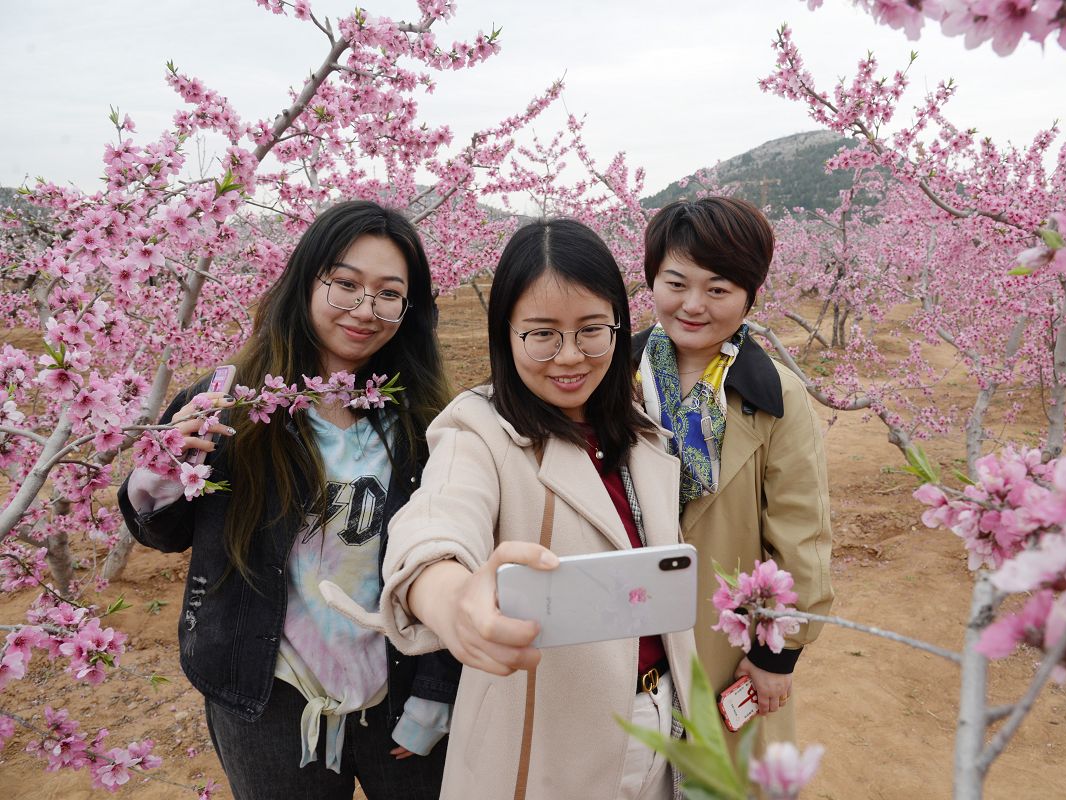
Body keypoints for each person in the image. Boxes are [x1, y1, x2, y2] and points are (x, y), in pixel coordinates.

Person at [324, 218, 695, 800]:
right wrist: (451, 600)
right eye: (542, 334)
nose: (569, 357)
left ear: (620, 328)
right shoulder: (479, 430)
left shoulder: (642, 434)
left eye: (592, 330)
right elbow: (438, 521)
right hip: (549, 744)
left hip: (665, 720)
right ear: (506, 333)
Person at [117, 200, 460, 799]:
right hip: (268, 693)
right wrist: (165, 467)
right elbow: (162, 532)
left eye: (388, 294)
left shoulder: (425, 420)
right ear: (306, 281)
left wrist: (436, 687)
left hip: (397, 684)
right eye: (345, 284)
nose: (364, 310)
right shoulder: (233, 402)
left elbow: (455, 555)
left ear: (409, 309)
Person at [634, 197, 834, 751]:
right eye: (676, 283)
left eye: (718, 289)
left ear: (749, 295)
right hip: (625, 635)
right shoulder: (615, 381)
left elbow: (801, 536)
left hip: (723, 642)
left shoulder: (777, 398)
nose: (693, 305)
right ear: (652, 282)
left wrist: (777, 654)